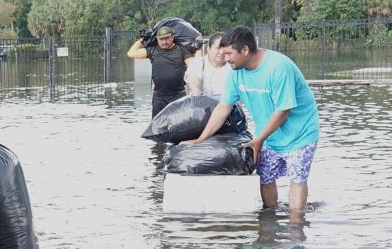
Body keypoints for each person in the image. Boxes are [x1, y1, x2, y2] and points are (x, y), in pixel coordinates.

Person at [181, 26, 320, 222]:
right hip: (269, 135)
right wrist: (200, 139)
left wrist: (258, 140)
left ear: (244, 50)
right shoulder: (236, 73)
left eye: (229, 54)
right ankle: (269, 224)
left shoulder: (278, 67)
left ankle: (296, 231)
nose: (225, 58)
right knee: (266, 177)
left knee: (297, 179)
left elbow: (283, 110)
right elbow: (223, 108)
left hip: (300, 133)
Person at [127, 24, 198, 116]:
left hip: (178, 95)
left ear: (172, 37)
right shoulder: (152, 51)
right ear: (157, 39)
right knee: (157, 127)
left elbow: (195, 66)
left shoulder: (181, 50)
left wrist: (198, 48)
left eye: (167, 38)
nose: (164, 42)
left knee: (178, 125)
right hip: (159, 97)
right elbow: (131, 53)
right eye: (161, 39)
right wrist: (142, 40)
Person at [184, 31, 232, 99]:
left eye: (224, 49)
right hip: (201, 105)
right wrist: (197, 95)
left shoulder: (233, 67)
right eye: (218, 48)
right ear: (208, 49)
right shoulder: (198, 63)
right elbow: (195, 84)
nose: (221, 52)